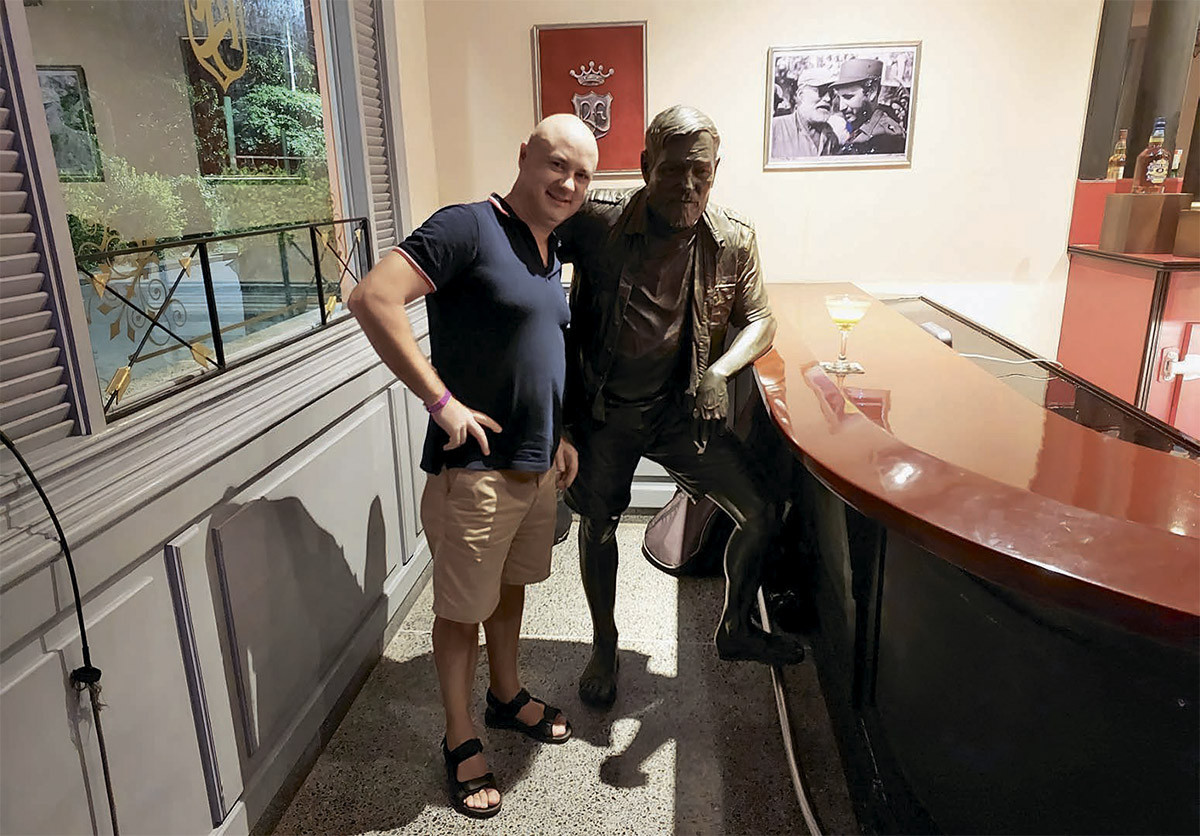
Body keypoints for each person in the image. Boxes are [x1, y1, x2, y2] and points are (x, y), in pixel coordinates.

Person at [346, 114, 598, 818]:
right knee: (461, 611)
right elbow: (372, 297)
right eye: (557, 165)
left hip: (535, 464)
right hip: (476, 471)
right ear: (524, 155)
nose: (568, 184)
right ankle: (459, 735)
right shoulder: (466, 226)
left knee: (510, 588)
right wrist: (441, 401)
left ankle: (506, 694)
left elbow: (533, 350)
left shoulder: (548, 249)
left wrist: (559, 435)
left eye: (582, 175)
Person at [559, 105, 807, 710]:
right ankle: (604, 643)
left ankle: (736, 626)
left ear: (717, 170)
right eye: (672, 170)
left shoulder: (733, 238)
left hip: (680, 412)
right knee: (600, 524)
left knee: (760, 512)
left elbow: (761, 318)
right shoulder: (596, 223)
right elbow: (530, 253)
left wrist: (721, 370)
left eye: (701, 172)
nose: (688, 186)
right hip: (606, 411)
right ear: (646, 165)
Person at [830, 58, 907, 155]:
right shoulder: (861, 127)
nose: (841, 107)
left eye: (848, 97)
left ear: (872, 92)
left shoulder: (885, 138)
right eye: (839, 98)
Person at [770, 68, 840, 159]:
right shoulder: (775, 129)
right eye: (821, 91)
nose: (828, 99)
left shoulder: (831, 137)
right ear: (801, 95)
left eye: (831, 94)